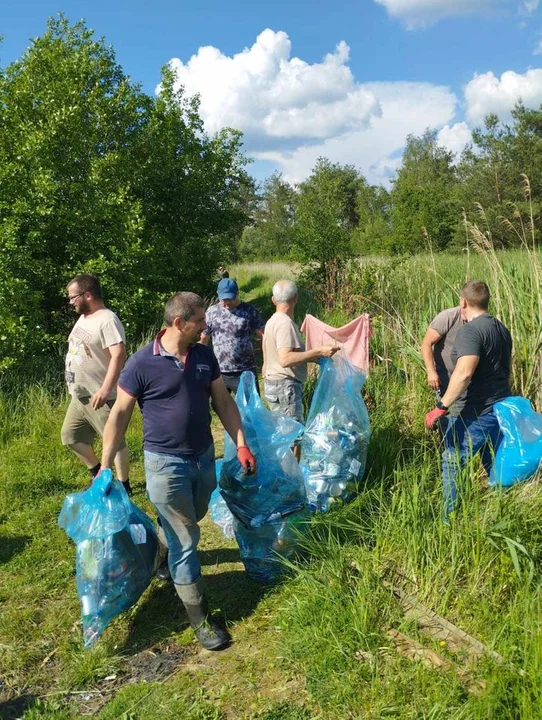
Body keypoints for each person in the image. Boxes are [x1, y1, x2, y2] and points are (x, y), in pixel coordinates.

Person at [100, 292, 256, 651]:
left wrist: (242, 442)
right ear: (178, 323)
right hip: (164, 463)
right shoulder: (141, 363)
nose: (206, 326)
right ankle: (201, 619)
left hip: (202, 458)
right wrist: (105, 467)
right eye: (200, 321)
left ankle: (165, 545)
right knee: (187, 538)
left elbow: (223, 402)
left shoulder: (203, 356)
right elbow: (119, 415)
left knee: (194, 515)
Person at [425, 281, 512, 517]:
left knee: (453, 461)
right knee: (492, 461)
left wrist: (441, 407)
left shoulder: (470, 331)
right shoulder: (501, 328)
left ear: (463, 302)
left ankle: (448, 519)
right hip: (498, 409)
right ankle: (502, 511)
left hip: (475, 411)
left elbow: (464, 373)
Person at [61, 274, 131, 494]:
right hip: (80, 395)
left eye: (73, 297)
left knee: (115, 442)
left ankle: (124, 486)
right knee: (70, 437)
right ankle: (97, 471)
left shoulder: (107, 319)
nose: (71, 302)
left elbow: (119, 354)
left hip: (101, 395)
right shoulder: (84, 318)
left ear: (87, 295)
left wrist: (105, 388)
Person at [263, 280, 339, 430]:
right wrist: (318, 351)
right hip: (285, 387)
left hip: (275, 385)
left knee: (283, 434)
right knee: (292, 436)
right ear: (296, 298)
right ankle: (291, 455)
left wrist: (315, 357)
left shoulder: (272, 320)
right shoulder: (285, 323)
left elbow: (272, 352)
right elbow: (285, 359)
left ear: (273, 299)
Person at [201, 278, 265, 394]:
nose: (227, 303)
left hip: (245, 371)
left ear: (237, 294)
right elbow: (203, 338)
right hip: (219, 373)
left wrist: (267, 361)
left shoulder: (249, 311)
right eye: (224, 299)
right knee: (221, 408)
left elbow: (263, 336)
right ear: (218, 295)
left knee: (249, 410)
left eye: (230, 298)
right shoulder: (211, 312)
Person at [421, 304, 466, 427]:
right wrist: (431, 371)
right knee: (446, 411)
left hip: (468, 378)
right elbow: (426, 343)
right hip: (446, 376)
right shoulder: (448, 317)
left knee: (464, 414)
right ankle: (447, 441)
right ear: (464, 302)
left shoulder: (478, 320)